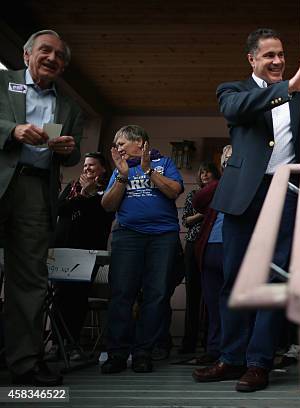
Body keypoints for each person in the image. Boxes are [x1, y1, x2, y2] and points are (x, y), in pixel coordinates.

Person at [192, 28, 300, 392]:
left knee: (274, 279)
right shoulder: (233, 90)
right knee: (235, 279)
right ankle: (230, 357)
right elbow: (235, 111)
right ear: (252, 59)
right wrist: (287, 88)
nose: (277, 61)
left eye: (281, 55)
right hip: (244, 195)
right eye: (269, 55)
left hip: (286, 193)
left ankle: (259, 363)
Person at [0, 29, 83, 386]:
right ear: (26, 54)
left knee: (30, 279)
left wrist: (68, 149)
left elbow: (75, 153)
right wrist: (12, 130)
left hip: (36, 188)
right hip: (2, 175)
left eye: (59, 56)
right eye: (45, 51)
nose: (52, 58)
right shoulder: (3, 83)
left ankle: (24, 361)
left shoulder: (69, 107)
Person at [100, 125, 183, 374]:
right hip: (128, 236)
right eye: (116, 145)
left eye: (122, 144)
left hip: (162, 237)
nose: (118, 149)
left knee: (155, 294)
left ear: (141, 143)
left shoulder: (164, 163)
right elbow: (107, 205)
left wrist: (148, 171)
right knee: (121, 294)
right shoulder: (120, 170)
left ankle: (143, 352)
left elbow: (174, 191)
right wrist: (123, 176)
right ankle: (116, 354)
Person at [52, 152, 115, 359]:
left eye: (92, 165)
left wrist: (88, 196)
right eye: (85, 165)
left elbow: (102, 216)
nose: (87, 168)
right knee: (59, 297)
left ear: (103, 169)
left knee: (77, 297)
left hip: (87, 251)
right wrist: (81, 195)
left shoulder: (106, 190)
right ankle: (56, 343)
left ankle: (71, 344)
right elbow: (60, 209)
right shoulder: (72, 186)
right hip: (62, 249)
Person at [191, 147, 231, 365]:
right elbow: (198, 200)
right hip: (210, 249)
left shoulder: (249, 183)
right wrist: (224, 179)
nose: (230, 161)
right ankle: (213, 349)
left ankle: (232, 351)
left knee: (232, 303)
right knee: (213, 304)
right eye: (226, 158)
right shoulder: (218, 186)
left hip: (234, 249)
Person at [179, 161, 221, 354]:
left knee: (210, 294)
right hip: (193, 243)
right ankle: (189, 341)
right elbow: (186, 220)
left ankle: (208, 342)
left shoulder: (221, 192)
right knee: (193, 293)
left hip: (212, 243)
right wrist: (204, 212)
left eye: (208, 171)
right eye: (201, 172)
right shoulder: (194, 195)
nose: (204, 175)